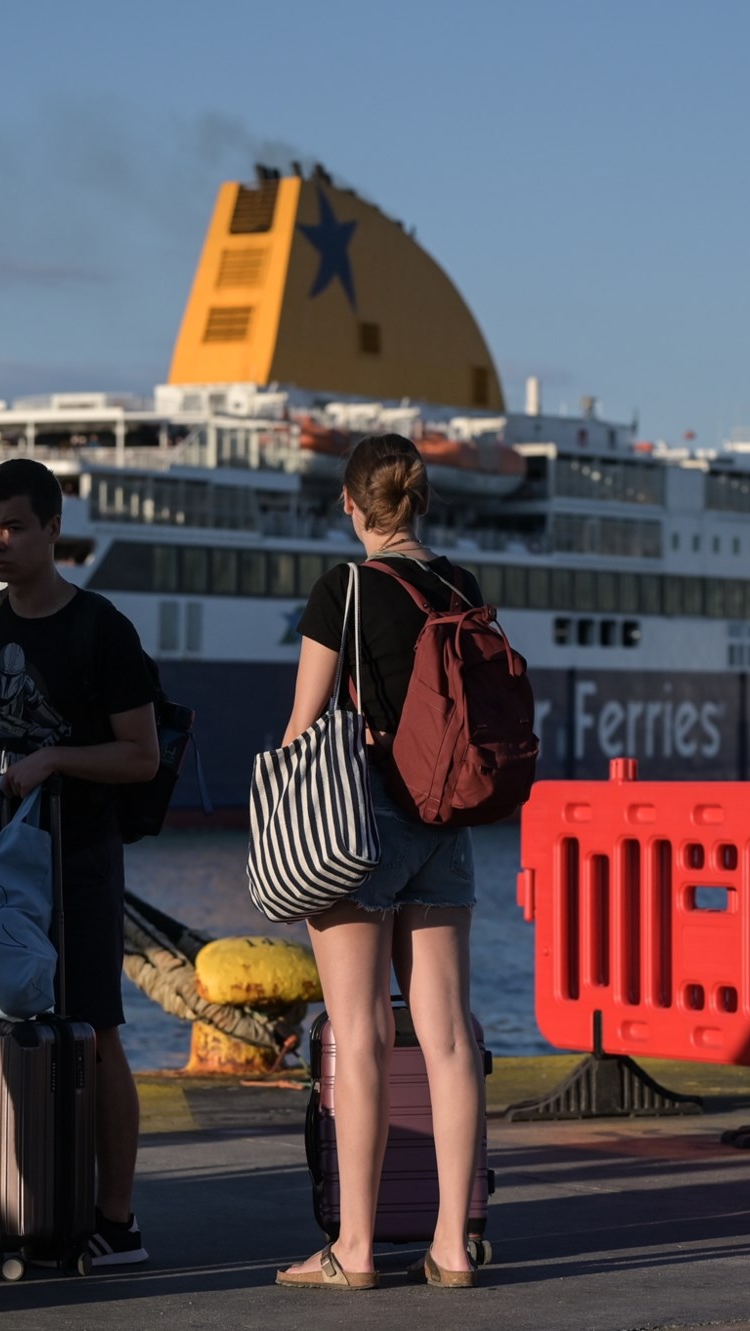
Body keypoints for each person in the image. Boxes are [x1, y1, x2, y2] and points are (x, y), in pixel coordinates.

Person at [0, 457, 160, 1267]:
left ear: (52, 529)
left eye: (13, 526)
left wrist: (53, 760)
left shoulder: (100, 628)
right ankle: (6, 1203)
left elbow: (141, 755)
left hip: (78, 856)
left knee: (94, 1030)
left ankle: (115, 1220)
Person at [275, 434, 485, 1291]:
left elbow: (303, 723)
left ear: (351, 507)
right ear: (422, 502)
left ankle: (354, 1249)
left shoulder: (345, 587)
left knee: (360, 1032)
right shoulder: (461, 586)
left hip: (361, 826)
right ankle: (451, 1245)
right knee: (448, 1037)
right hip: (449, 823)